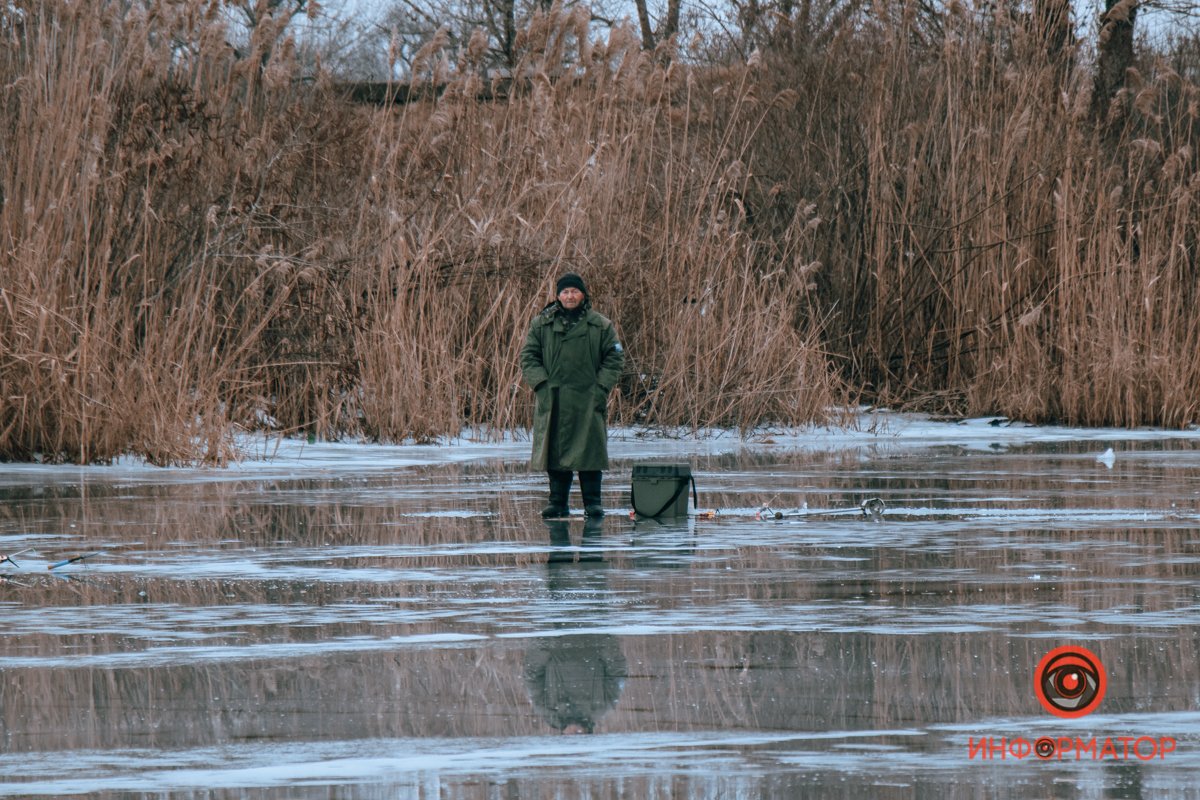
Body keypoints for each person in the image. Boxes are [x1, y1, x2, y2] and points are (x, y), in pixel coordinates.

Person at [520, 273, 625, 518]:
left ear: (583, 294)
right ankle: (557, 502)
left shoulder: (600, 325)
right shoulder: (541, 324)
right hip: (553, 397)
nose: (570, 296)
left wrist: (601, 387)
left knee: (590, 452)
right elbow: (528, 357)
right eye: (565, 292)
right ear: (558, 295)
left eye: (574, 291)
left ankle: (593, 503)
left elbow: (615, 357)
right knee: (555, 451)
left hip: (587, 398)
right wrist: (542, 385)